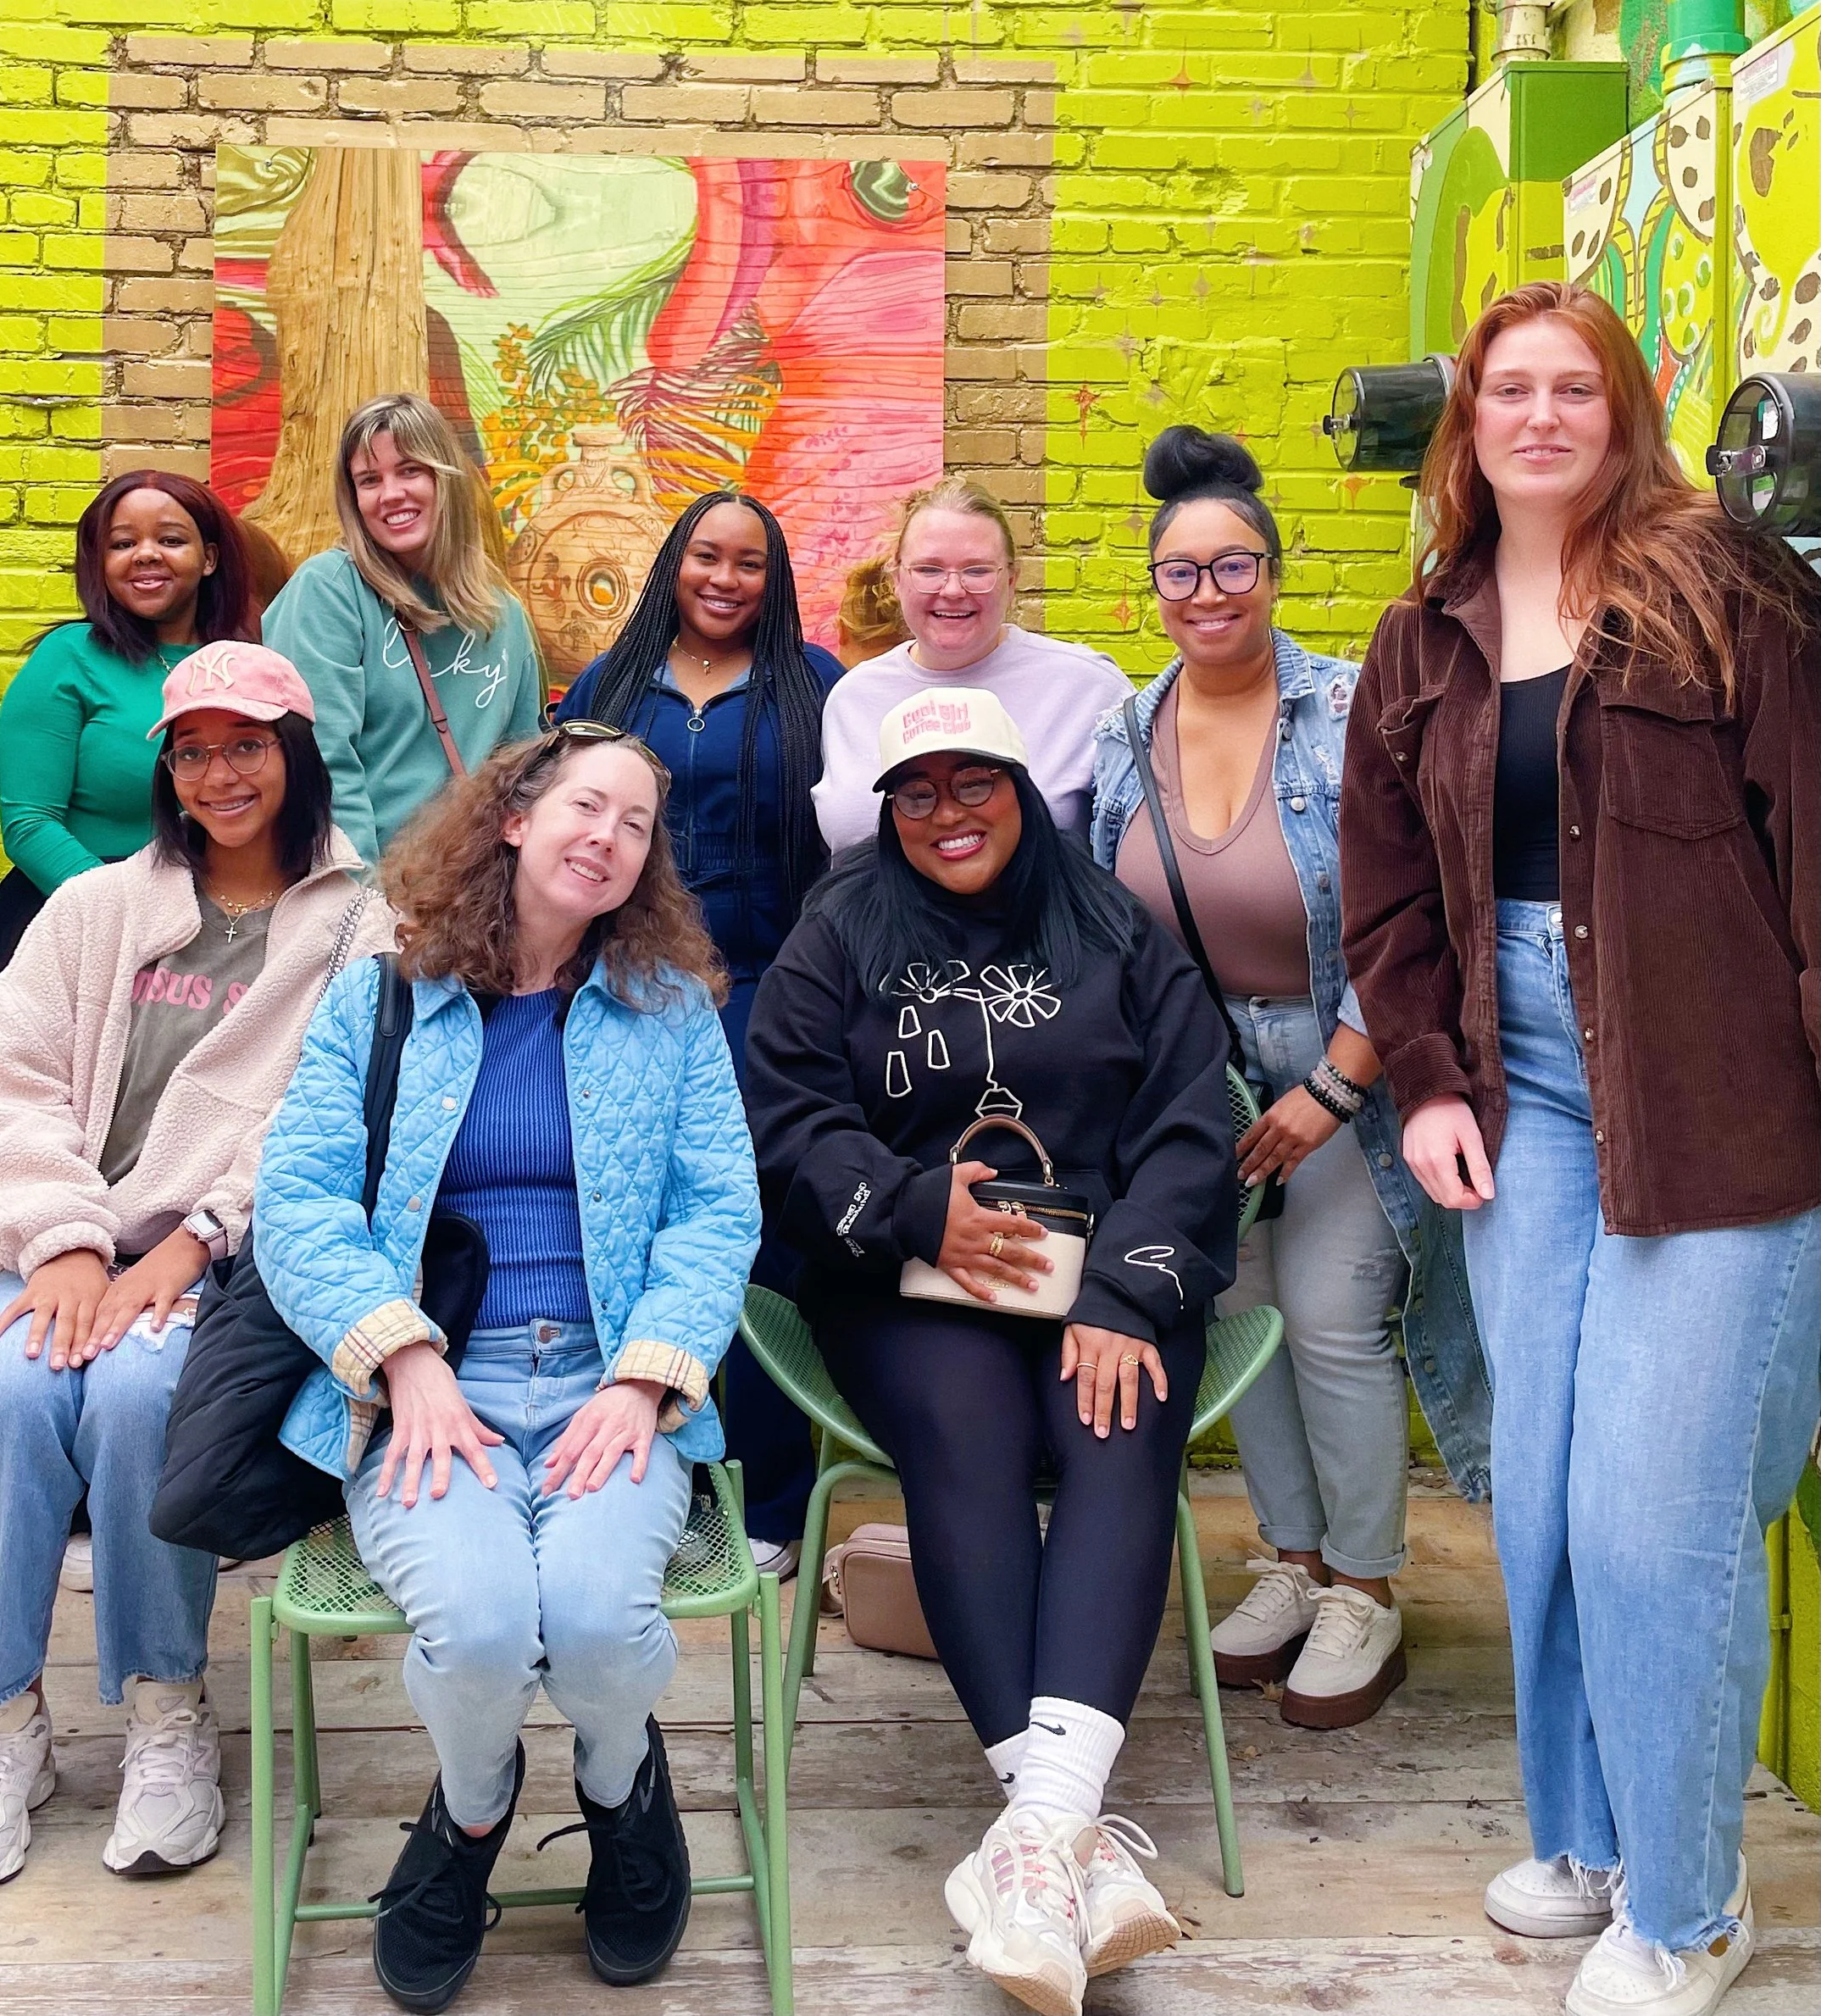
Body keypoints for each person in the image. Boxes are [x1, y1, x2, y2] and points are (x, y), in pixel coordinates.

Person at [1339, 281, 1821, 2016]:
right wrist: (1422, 1080)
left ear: (1620, 408)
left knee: (1648, 1517)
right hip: (1513, 1088)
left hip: (1712, 1086)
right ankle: (1596, 1832)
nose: (1537, 415)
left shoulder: (1721, 584)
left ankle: (1691, 1907)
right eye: (1503, 390)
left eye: (1570, 387)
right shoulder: (1422, 632)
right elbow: (1385, 894)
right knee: (1537, 1493)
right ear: (1465, 423)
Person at [253, 723, 759, 2011]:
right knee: (480, 1630)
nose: (608, 838)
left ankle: (617, 1784)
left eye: (637, 824)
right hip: (433, 1392)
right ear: (516, 819)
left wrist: (647, 1379)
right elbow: (299, 1204)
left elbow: (717, 1214)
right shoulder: (384, 995)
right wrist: (402, 1358)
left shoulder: (670, 1013)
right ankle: (472, 1815)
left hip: (609, 1385)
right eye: (587, 808)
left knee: (595, 1624)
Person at [745, 687, 1235, 2016]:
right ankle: (1077, 1840)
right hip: (911, 1279)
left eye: (975, 785)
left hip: (1101, 1278)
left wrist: (1130, 1296)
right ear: (889, 805)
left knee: (1114, 1423)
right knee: (969, 1434)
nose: (947, 813)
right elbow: (786, 1113)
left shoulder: (1112, 925)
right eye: (919, 791)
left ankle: (1033, 1842)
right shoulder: (840, 929)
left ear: (1022, 790)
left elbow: (1192, 1117)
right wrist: (916, 1208)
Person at [0, 642, 391, 1891]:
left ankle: (166, 1709)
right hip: (42, 1239)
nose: (218, 773)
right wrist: (65, 1241)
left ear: (294, 755)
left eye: (246, 746)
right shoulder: (98, 906)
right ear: (167, 767)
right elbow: (0, 1079)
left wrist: (185, 1244)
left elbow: (325, 1123)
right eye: (193, 749)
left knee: (137, 1398)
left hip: (226, 1257)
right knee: (8, 1392)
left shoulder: (359, 925)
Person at [1088, 426, 1490, 1730]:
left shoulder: (1351, 708)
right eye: (1182, 574)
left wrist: (1339, 1079)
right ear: (1152, 587)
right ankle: (1294, 1559)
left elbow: (1419, 901)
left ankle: (1367, 1583)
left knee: (1328, 1310)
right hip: (1201, 1084)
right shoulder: (1124, 731)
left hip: (1348, 1055)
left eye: (1234, 568)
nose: (1208, 596)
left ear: (1274, 571)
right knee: (1241, 1315)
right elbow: (1101, 921)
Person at [556, 492, 843, 1576]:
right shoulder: (610, 685)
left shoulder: (815, 685)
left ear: (775, 580)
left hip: (772, 991)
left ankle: (768, 1501)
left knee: (760, 1240)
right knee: (627, 1227)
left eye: (750, 564)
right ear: (673, 564)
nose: (725, 579)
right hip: (626, 988)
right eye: (705, 558)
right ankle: (637, 1485)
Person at [0, 471, 254, 976]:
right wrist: (132, 915)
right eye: (122, 543)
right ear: (100, 563)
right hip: (74, 916)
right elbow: (29, 826)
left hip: (213, 928)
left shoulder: (244, 664)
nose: (146, 554)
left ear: (210, 559)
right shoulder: (67, 658)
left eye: (171, 540)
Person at [263, 393, 544, 867]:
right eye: (369, 480)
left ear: (446, 479)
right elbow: (321, 762)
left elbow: (522, 772)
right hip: (363, 892)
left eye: (410, 470)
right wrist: (364, 905)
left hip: (469, 895)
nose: (390, 493)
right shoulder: (330, 591)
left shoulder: (503, 613)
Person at [808, 476, 1129, 855]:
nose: (953, 590)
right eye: (929, 570)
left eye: (977, 571)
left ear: (1011, 581)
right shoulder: (852, 698)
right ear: (896, 580)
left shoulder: (1088, 688)